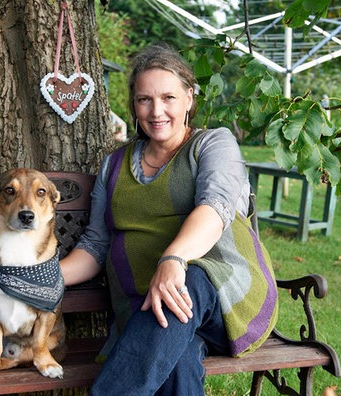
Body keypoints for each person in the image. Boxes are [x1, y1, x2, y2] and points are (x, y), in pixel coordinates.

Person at [60, 44, 278, 395]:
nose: (156, 110)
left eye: (169, 98)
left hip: (224, 298)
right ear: (133, 104)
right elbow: (96, 245)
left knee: (186, 282)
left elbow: (215, 208)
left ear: (189, 98)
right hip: (147, 311)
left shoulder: (212, 145)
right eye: (145, 99)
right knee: (176, 358)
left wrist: (173, 258)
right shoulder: (113, 165)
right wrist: (44, 277)